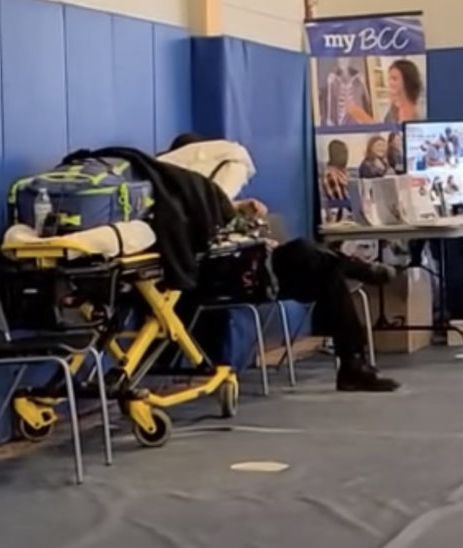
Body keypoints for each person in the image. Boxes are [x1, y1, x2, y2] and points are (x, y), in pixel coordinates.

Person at [166, 133, 400, 393]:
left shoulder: (217, 199)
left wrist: (243, 211)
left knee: (327, 272)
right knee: (308, 253)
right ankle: (356, 283)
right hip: (229, 277)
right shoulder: (174, 208)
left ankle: (353, 363)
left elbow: (234, 224)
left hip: (257, 267)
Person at [383, 60, 423, 125]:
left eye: (394, 78)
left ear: (407, 81)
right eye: (389, 79)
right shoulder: (393, 109)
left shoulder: (411, 113)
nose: (390, 83)